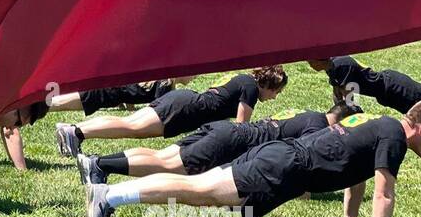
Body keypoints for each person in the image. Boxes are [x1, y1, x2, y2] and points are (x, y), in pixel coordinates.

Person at [84, 101, 421, 217]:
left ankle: (114, 198)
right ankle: (109, 196)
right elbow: (383, 193)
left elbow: (358, 173)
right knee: (198, 190)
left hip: (283, 162)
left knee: (217, 208)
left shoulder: (376, 122)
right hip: (283, 167)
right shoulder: (394, 139)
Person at [75, 102, 361, 184]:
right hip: (229, 140)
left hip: (226, 131)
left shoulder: (309, 113)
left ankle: (97, 162)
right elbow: (299, 161)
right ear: (341, 121)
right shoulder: (317, 127)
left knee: (162, 155)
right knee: (170, 166)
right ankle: (100, 165)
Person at [55, 67, 288, 157]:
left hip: (184, 103)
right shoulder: (249, 88)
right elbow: (241, 129)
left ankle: (74, 131)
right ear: (269, 84)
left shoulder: (243, 79)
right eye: (276, 92)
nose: (275, 97)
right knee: (132, 127)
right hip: (185, 109)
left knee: (131, 123)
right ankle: (75, 132)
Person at [47, 77, 195, 115]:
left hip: (110, 91)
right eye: (194, 73)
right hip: (107, 92)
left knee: (66, 101)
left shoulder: (162, 81)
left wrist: (130, 108)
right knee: (59, 104)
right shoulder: (165, 85)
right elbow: (159, 108)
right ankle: (36, 105)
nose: (195, 77)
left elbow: (131, 91)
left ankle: (40, 103)